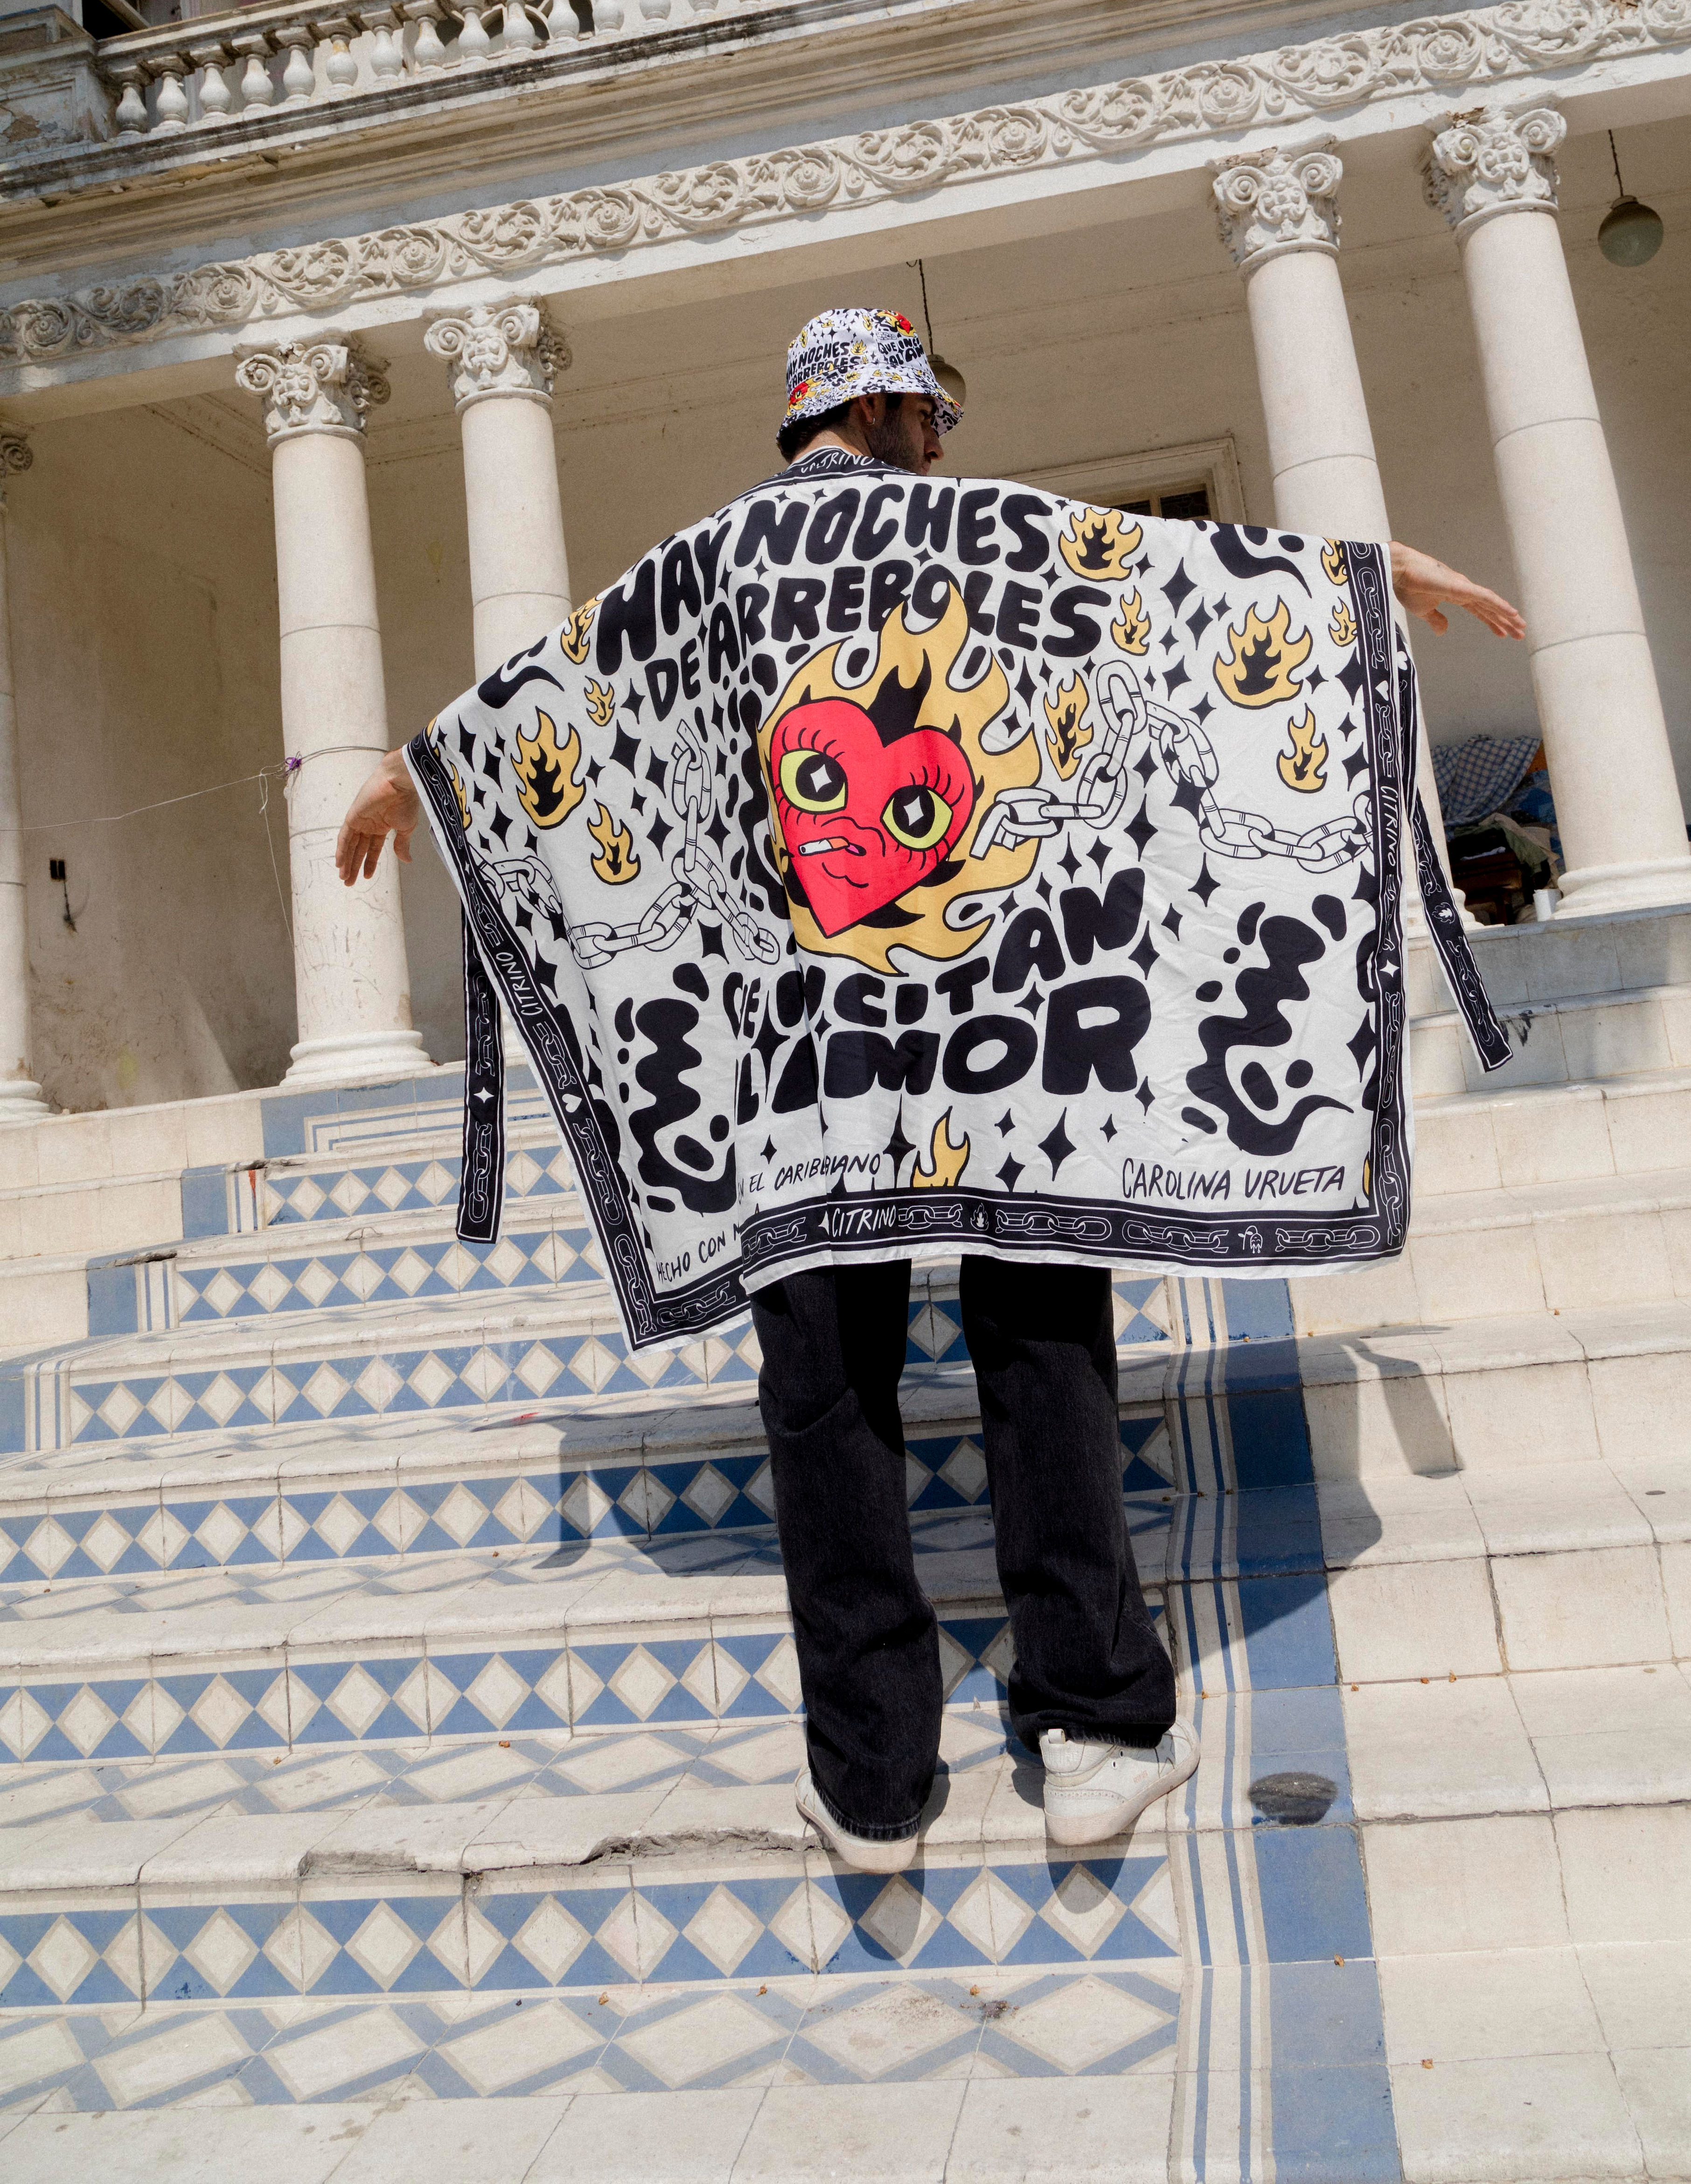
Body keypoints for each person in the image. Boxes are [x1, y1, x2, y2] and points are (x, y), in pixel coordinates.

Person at [337, 305, 1524, 1871]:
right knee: (1045, 1355)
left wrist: (410, 775)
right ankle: (1094, 1727)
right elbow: (1170, 580)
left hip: (800, 1079)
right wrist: (1366, 580)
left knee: (824, 1396)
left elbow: (557, 693)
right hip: (1007, 1053)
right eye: (933, 416)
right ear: (886, 407)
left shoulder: (705, 570)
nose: (946, 445)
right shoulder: (982, 535)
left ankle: (874, 1778)